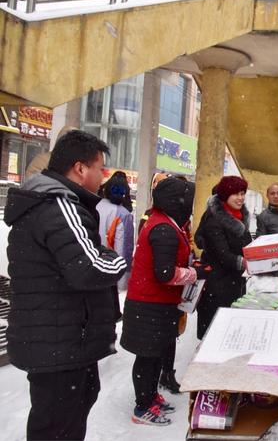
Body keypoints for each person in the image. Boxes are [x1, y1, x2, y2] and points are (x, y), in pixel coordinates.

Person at [4, 130, 127, 440]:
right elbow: (90, 267)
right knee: (59, 424)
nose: (103, 175)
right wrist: (118, 259)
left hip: (57, 338)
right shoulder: (61, 205)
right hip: (60, 341)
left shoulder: (47, 203)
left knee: (59, 419)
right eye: (100, 167)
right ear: (80, 169)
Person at [120, 177, 197, 426]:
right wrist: (193, 274)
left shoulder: (169, 223)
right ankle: (142, 407)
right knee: (147, 357)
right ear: (177, 202)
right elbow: (164, 274)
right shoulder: (163, 228)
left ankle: (151, 396)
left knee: (154, 356)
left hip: (158, 304)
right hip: (148, 305)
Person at [195, 175, 252, 339]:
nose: (240, 198)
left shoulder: (240, 217)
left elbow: (246, 245)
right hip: (217, 285)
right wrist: (245, 263)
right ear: (225, 195)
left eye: (243, 193)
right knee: (214, 334)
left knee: (230, 332)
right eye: (236, 194)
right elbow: (223, 254)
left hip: (234, 283)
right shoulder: (213, 220)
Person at [97, 171, 135, 291]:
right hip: (110, 271)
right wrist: (123, 281)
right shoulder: (123, 214)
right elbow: (124, 249)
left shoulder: (94, 206)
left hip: (89, 266)